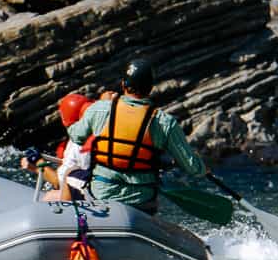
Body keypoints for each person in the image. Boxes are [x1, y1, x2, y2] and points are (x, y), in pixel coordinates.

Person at [67, 59, 207, 214]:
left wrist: (74, 118)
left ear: (123, 85)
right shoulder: (164, 122)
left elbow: (76, 136)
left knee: (70, 175)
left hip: (102, 193)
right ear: (151, 88)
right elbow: (191, 166)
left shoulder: (100, 108)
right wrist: (202, 169)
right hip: (142, 200)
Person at [21, 93, 93, 201]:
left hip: (85, 194)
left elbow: (58, 182)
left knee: (50, 197)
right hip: (93, 184)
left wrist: (37, 163)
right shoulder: (95, 134)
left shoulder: (78, 144)